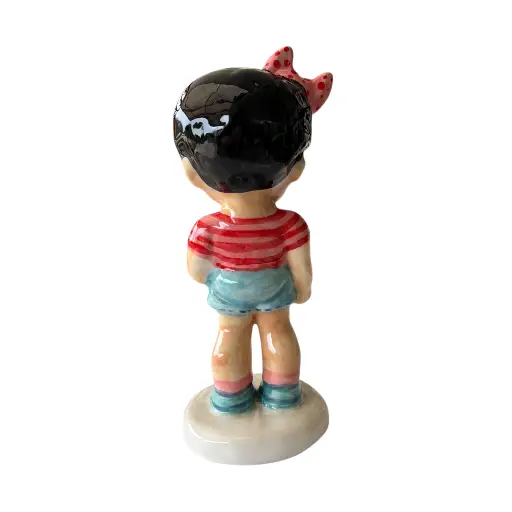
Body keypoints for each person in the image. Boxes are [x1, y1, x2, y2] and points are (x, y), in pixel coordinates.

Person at [173, 46, 333, 413]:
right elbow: (302, 270)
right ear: (296, 169)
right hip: (275, 285)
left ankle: (230, 398)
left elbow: (195, 271)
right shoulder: (290, 224)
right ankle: (283, 395)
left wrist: (219, 279)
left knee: (229, 336)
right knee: (279, 332)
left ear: (191, 173)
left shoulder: (207, 228)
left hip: (229, 288)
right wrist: (303, 289)